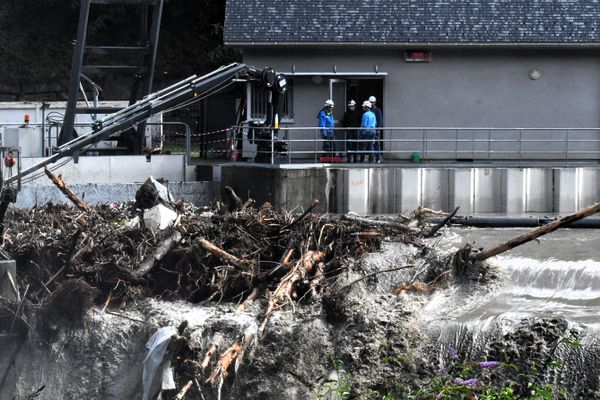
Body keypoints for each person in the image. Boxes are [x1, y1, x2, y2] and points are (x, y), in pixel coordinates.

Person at [369, 95, 383, 163]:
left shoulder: (377, 110)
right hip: (370, 130)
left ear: (375, 102)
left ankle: (377, 158)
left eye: (372, 102)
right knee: (370, 144)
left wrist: (378, 129)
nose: (371, 103)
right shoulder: (369, 110)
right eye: (370, 102)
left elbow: (380, 120)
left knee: (376, 144)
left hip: (375, 130)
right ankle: (371, 158)